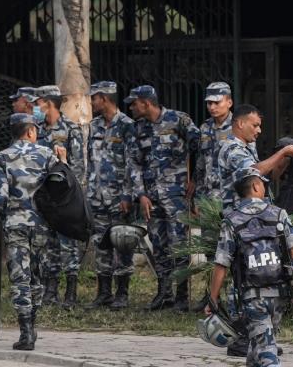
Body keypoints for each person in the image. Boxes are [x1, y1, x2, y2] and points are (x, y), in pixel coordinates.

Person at [207, 168, 293, 367]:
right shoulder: (279, 214)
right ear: (255, 186)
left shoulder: (232, 220)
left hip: (253, 296)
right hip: (280, 293)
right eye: (263, 184)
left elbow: (221, 263)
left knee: (265, 349)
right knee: (258, 346)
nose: (265, 188)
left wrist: (213, 298)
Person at [127, 84, 200, 312]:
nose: (130, 107)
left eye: (134, 103)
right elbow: (134, 163)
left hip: (177, 195)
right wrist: (141, 194)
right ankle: (164, 292)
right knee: (158, 246)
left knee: (179, 245)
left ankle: (181, 296)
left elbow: (200, 147)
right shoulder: (138, 128)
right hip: (152, 198)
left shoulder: (179, 120)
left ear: (146, 103)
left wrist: (195, 179)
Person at [0, 112, 58, 351]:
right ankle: (34, 321)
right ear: (31, 131)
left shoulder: (2, 157)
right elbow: (60, 188)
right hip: (42, 224)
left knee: (20, 277)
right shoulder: (47, 155)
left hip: (15, 223)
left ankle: (26, 331)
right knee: (37, 276)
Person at [86, 81, 138, 310]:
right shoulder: (94, 125)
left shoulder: (127, 125)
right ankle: (104, 292)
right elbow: (89, 160)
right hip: (97, 195)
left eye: (94, 98)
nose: (91, 102)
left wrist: (128, 195)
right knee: (101, 244)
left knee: (122, 243)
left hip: (119, 196)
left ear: (104, 98)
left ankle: (122, 293)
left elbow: (132, 163)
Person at [35, 84, 85, 308]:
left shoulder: (70, 129)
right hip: (45, 197)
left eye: (39, 102)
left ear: (49, 103)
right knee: (49, 244)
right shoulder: (36, 130)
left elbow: (79, 166)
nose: (36, 106)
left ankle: (71, 292)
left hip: (65, 195)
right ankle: (50, 290)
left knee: (69, 243)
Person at [214, 105, 293, 212]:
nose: (259, 130)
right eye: (255, 125)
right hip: (239, 218)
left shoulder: (247, 148)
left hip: (252, 216)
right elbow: (252, 171)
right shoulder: (232, 148)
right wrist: (282, 152)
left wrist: (287, 157)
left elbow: (272, 175)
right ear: (241, 124)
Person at [196, 82, 234, 204]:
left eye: (217, 103)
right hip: (208, 198)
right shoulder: (205, 128)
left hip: (231, 197)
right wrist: (198, 199)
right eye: (209, 103)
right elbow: (201, 163)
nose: (212, 107)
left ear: (229, 103)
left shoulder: (238, 127)